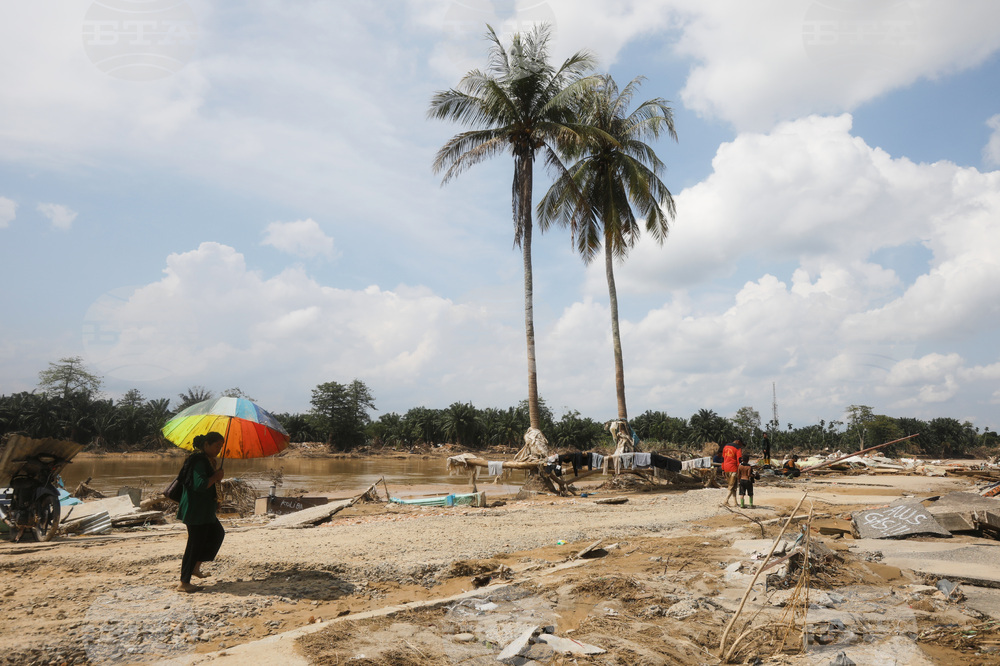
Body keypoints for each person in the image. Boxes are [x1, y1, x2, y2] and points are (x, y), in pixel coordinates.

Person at [177, 432, 226, 593]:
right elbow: (199, 485)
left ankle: (195, 568)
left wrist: (216, 498)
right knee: (194, 544)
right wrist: (216, 476)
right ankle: (184, 583)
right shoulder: (198, 461)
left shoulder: (208, 461)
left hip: (205, 509)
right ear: (206, 445)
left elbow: (208, 484)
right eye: (216, 446)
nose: (219, 450)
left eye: (221, 446)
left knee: (217, 533)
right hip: (195, 510)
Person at [721, 438, 743, 506]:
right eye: (741, 444)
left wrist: (723, 469)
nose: (741, 446)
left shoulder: (725, 446)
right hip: (733, 468)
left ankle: (735, 502)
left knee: (733, 486)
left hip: (726, 468)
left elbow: (723, 458)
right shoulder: (738, 448)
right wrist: (740, 470)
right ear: (738, 441)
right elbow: (739, 460)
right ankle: (725, 500)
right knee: (731, 486)